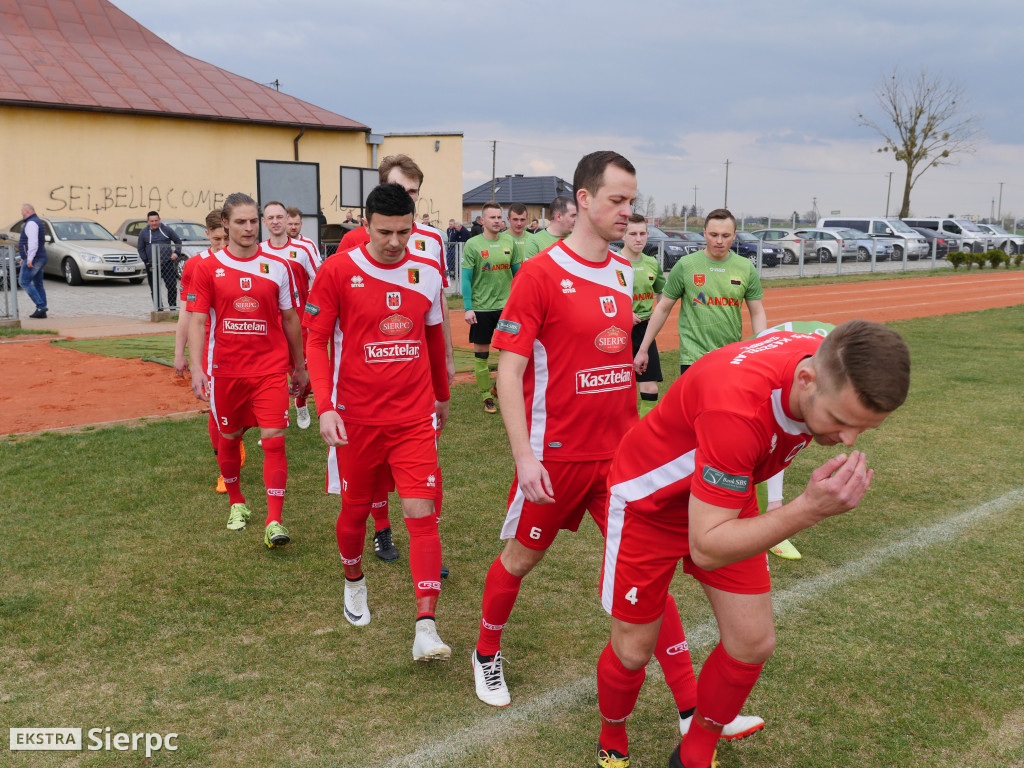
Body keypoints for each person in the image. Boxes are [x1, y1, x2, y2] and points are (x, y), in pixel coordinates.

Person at [595, 320, 911, 768]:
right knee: (632, 651)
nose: (848, 439)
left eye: (864, 428)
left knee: (752, 641)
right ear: (806, 380)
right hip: (650, 504)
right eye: (840, 421)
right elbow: (706, 546)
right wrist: (807, 509)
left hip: (726, 490)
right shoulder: (736, 411)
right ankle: (612, 733)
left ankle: (695, 751)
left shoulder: (825, 353)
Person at [303, 182, 452, 661]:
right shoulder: (338, 270)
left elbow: (432, 341)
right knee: (355, 511)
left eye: (403, 233)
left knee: (421, 515)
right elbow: (315, 343)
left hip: (412, 418)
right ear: (364, 225)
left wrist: (442, 396)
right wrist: (325, 406)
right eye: (385, 232)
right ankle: (353, 579)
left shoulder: (426, 271)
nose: (394, 242)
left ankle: (426, 626)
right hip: (357, 420)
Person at [331, 154, 455, 564]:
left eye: (413, 192)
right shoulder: (355, 245)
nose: (406, 197)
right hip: (365, 377)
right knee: (372, 470)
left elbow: (434, 309)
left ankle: (427, 542)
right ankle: (382, 530)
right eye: (400, 189)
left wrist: (446, 363)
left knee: (420, 463)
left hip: (413, 374)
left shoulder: (432, 242)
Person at [186, 193, 308, 549]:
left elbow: (290, 320)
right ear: (225, 224)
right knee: (229, 437)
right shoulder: (207, 267)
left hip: (269, 369)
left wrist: (298, 367)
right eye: (240, 222)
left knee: (274, 440)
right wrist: (197, 368)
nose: (249, 227)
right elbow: (196, 321)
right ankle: (236, 502)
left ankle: (274, 520)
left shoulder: (278, 266)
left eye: (253, 220)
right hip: (226, 370)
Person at [634, 208, 767, 377]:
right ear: (704, 233)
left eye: (725, 236)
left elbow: (757, 311)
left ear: (734, 235)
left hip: (730, 355)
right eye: (713, 235)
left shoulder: (746, 267)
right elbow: (663, 308)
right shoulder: (686, 265)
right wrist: (643, 349)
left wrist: (761, 347)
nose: (719, 241)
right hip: (693, 356)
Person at [173, 209, 244, 494]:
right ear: (208, 235)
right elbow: (186, 315)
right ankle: (223, 468)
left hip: (245, 347)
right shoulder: (196, 266)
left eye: (227, 238)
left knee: (248, 411)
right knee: (216, 412)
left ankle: (235, 442)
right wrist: (181, 353)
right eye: (217, 240)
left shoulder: (247, 259)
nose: (223, 245)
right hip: (211, 350)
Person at [755, 320, 836, 561]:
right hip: (764, 361)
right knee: (771, 439)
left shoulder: (837, 354)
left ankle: (769, 515)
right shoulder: (825, 366)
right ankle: (769, 518)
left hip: (787, 356)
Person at [261, 201, 321, 430]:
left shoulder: (303, 250)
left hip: (299, 322)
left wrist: (314, 309)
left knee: (304, 374)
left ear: (287, 220)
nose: (276, 221)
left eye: (280, 217)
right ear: (264, 222)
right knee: (272, 376)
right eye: (271, 218)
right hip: (270, 326)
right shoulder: (259, 251)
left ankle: (301, 401)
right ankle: (272, 422)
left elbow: (319, 281)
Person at [461, 201, 516, 414]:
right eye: (492, 217)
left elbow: (519, 273)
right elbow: (466, 279)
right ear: (482, 221)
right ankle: (486, 396)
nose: (497, 221)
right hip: (481, 309)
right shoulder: (473, 244)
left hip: (506, 308)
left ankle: (498, 387)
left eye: (499, 217)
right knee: (481, 354)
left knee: (511, 355)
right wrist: (468, 307)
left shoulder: (509, 241)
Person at [619, 214, 665, 417]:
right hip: (619, 329)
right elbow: (601, 297)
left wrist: (660, 311)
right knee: (620, 387)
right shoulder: (614, 262)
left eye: (642, 234)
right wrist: (623, 313)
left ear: (647, 235)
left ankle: (645, 434)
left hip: (645, 331)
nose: (638, 239)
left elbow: (662, 293)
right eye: (633, 234)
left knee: (650, 388)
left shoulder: (652, 263)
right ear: (623, 235)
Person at [137, 211, 183, 310]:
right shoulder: (143, 232)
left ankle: (172, 307)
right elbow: (140, 248)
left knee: (171, 286)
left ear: (159, 220)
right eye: (152, 221)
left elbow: (178, 241)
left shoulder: (167, 230)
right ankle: (158, 308)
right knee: (155, 288)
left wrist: (176, 253)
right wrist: (146, 261)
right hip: (152, 265)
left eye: (156, 220)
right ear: (148, 221)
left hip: (167, 263)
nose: (154, 223)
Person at [518, 195, 576, 261]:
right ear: (559, 217)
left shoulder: (577, 239)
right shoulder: (534, 241)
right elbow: (530, 270)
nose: (576, 219)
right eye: (573, 216)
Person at [17, 204, 48, 319]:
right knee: (38, 283)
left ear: (27, 211)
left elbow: (33, 242)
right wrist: (23, 257)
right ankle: (42, 311)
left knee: (24, 281)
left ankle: (41, 307)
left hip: (35, 258)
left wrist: (29, 258)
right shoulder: (37, 221)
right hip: (39, 256)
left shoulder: (31, 223)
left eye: (22, 212)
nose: (21, 214)